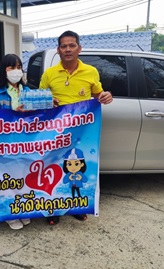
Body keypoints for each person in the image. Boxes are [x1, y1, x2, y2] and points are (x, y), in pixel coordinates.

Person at [39, 30, 113, 225]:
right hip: (55, 132)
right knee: (54, 168)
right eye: (64, 46)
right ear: (58, 50)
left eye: (72, 45)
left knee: (77, 169)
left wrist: (105, 96)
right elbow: (39, 99)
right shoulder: (49, 74)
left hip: (80, 132)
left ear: (79, 48)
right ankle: (52, 209)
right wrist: (48, 101)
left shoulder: (91, 72)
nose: (68, 49)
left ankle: (77, 207)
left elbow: (98, 94)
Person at [0, 53, 31, 230]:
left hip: (26, 142)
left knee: (23, 178)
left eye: (19, 67)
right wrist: (14, 112)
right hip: (6, 143)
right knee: (7, 179)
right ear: (4, 70)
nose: (16, 71)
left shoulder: (27, 91)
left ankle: (21, 210)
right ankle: (9, 214)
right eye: (11, 67)